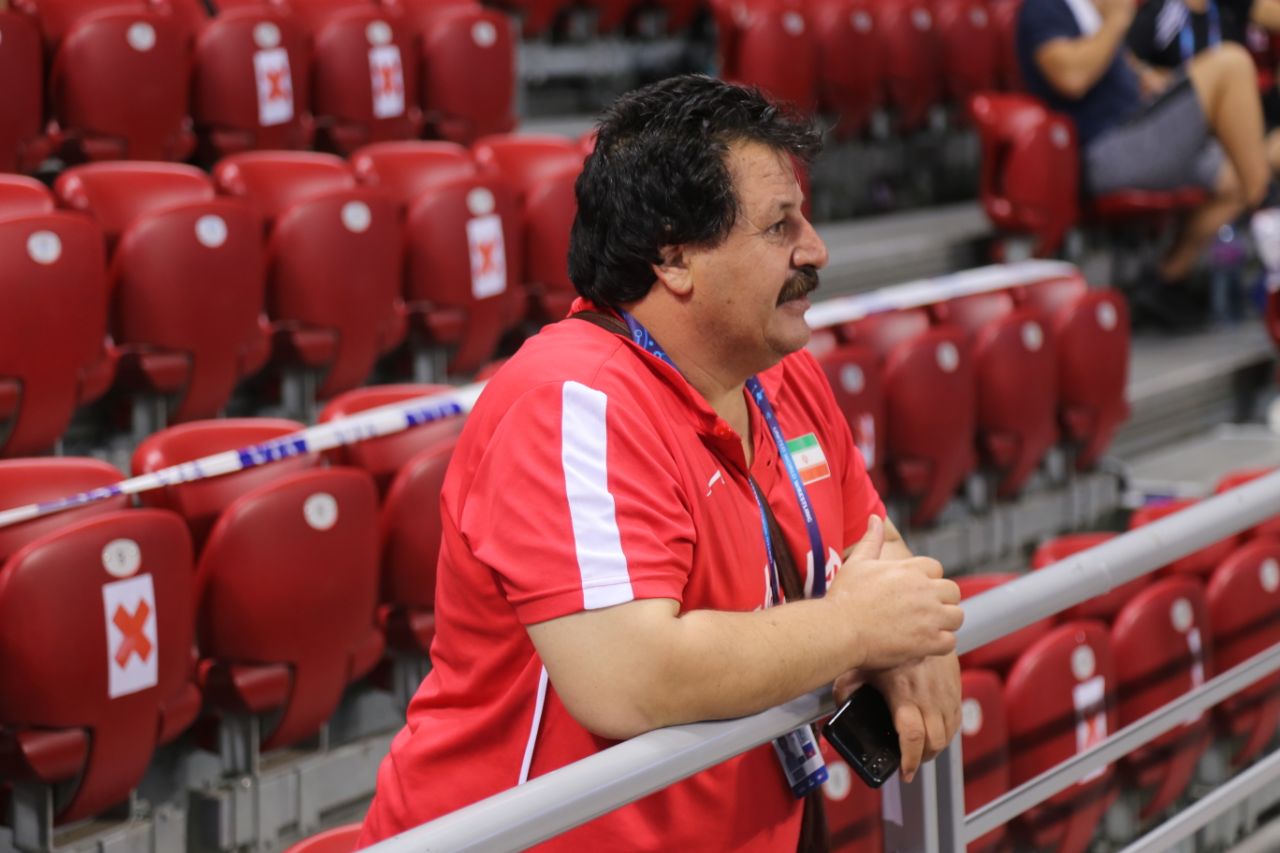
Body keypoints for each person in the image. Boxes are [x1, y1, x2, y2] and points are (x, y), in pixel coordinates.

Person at [357, 74, 964, 852]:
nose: (816, 249)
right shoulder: (570, 401)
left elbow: (878, 555)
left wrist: (907, 638)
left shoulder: (785, 373)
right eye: (780, 226)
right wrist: (858, 630)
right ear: (674, 257)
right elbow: (630, 677)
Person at [1017, 0, 1270, 322]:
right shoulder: (1044, 8)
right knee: (1231, 63)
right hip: (1102, 153)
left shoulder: (1093, 16)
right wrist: (1117, 21)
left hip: (1137, 130)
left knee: (1234, 178)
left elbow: (1118, 70)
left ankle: (1167, 279)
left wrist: (1147, 77)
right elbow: (1071, 77)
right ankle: (1267, 214)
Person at [1127, 0, 1280, 172]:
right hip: (1185, 121)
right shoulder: (1162, 10)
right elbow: (1127, 56)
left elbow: (1270, 13)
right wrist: (1152, 75)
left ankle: (1253, 169)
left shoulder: (1229, 7)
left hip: (1237, 121)